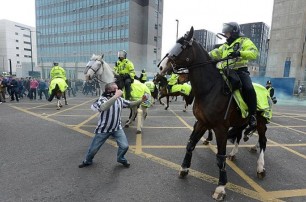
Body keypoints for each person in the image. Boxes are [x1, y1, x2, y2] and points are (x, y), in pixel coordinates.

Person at [78, 82, 148, 168]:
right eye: (115, 89)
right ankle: (87, 161)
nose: (118, 91)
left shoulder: (119, 99)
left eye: (118, 89)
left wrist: (141, 100)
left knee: (124, 146)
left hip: (117, 128)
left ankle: (121, 158)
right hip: (103, 129)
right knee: (93, 149)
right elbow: (103, 107)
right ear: (108, 91)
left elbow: (130, 104)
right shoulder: (102, 99)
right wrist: (116, 96)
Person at [209, 22, 259, 136]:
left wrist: (239, 53)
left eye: (227, 32)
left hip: (240, 71)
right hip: (225, 71)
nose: (226, 35)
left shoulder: (244, 41)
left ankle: (252, 116)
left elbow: (254, 53)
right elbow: (215, 53)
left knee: (249, 89)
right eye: (225, 33)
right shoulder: (225, 46)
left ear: (234, 31)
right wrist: (204, 55)